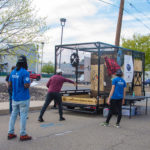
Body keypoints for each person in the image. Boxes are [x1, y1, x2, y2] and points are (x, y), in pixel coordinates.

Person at [8, 55, 32, 141]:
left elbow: (10, 84)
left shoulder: (13, 72)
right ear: (25, 62)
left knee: (13, 115)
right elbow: (26, 85)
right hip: (23, 98)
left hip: (15, 98)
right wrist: (29, 82)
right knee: (23, 116)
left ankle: (10, 133)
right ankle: (23, 134)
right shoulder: (25, 72)